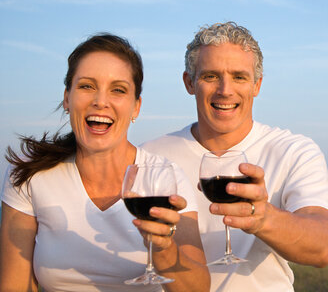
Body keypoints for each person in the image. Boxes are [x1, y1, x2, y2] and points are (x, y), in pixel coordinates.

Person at [0, 34, 210, 291]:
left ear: (136, 107)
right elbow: (16, 285)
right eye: (87, 86)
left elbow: (198, 289)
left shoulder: (165, 179)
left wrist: (163, 249)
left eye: (118, 90)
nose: (101, 101)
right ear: (67, 98)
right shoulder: (29, 174)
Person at [142, 22, 328, 291]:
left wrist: (264, 218)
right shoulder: (151, 156)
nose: (225, 90)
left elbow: (320, 249)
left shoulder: (294, 151)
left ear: (257, 85)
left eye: (239, 77)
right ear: (189, 82)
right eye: (210, 76)